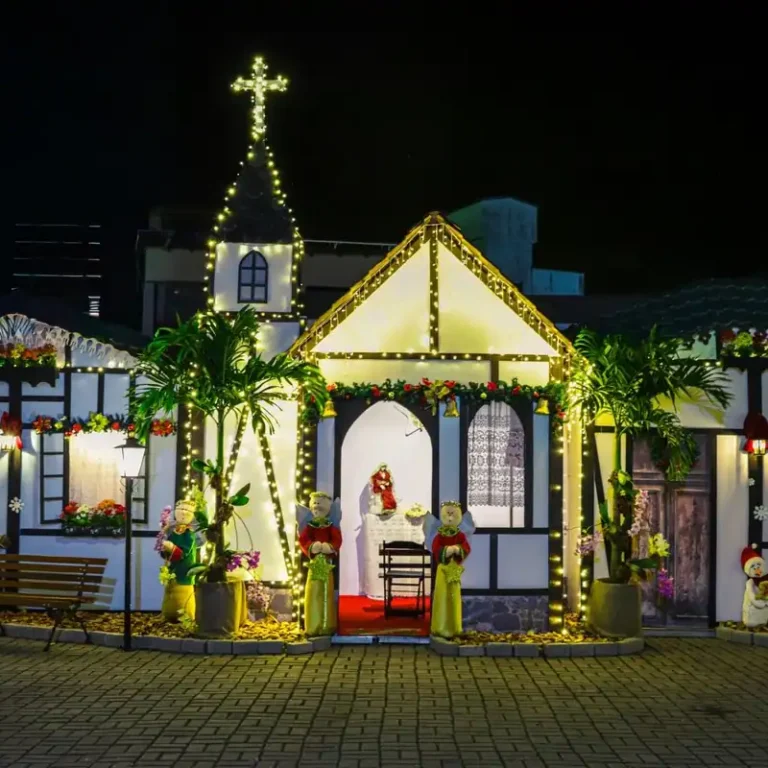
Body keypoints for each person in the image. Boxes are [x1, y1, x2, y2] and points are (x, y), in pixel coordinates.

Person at [298, 492, 342, 636]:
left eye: (320, 503)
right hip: (314, 562)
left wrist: (330, 547)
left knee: (326, 592)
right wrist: (312, 546)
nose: (316, 506)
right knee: (313, 590)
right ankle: (313, 625)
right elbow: (303, 540)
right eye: (315, 503)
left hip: (327, 563)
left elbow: (337, 540)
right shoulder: (309, 526)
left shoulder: (331, 525)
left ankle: (326, 625)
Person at [428, 501, 472, 639]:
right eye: (448, 514)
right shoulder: (439, 535)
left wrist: (458, 549)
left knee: (453, 596)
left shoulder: (460, 535)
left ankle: (454, 627)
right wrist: (446, 550)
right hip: (443, 569)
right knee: (441, 596)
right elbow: (435, 549)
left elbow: (466, 547)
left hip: (454, 569)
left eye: (453, 514)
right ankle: (440, 627)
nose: (450, 517)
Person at [160, 500, 197, 622]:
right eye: (181, 510)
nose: (183, 513)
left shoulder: (189, 534)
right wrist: (164, 549)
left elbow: (184, 553)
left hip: (184, 569)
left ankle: (186, 619)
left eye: (187, 510)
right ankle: (169, 615)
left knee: (183, 595)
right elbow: (164, 551)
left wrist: (171, 547)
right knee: (170, 592)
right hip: (172, 567)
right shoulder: (171, 530)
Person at [741, 544, 768, 628]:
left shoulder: (765, 581)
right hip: (753, 610)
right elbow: (752, 596)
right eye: (753, 566)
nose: (757, 569)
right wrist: (762, 604)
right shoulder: (750, 582)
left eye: (759, 565)